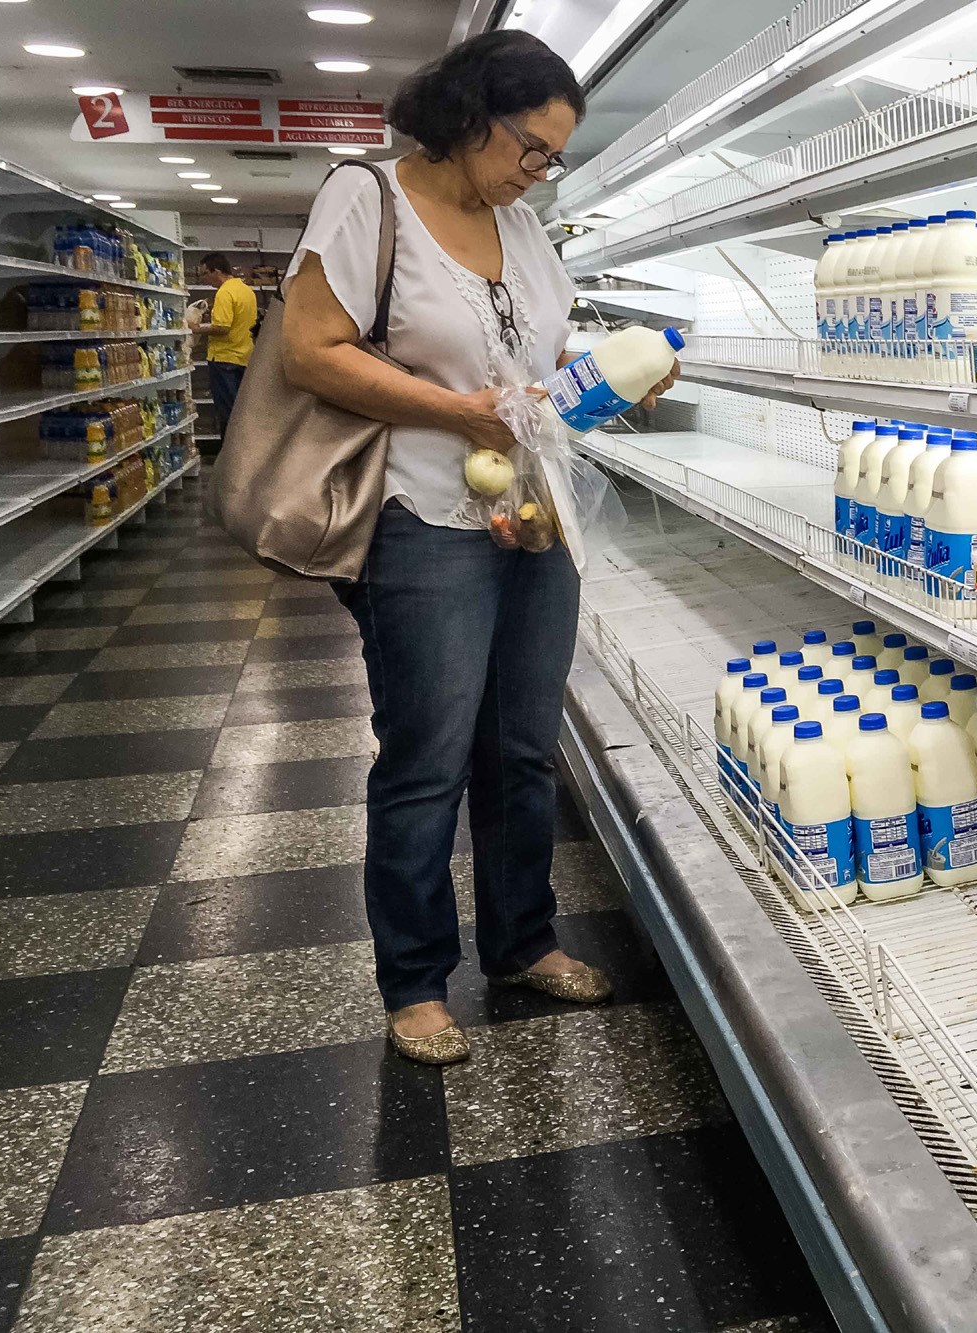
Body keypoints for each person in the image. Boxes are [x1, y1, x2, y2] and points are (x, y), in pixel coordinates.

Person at [275, 30, 679, 1065]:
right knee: (427, 757)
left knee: (520, 748)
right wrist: (463, 416)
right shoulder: (371, 200)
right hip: (423, 521)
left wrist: (610, 376)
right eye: (530, 148)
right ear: (467, 117)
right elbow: (311, 352)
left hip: (532, 513)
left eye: (554, 157)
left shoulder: (525, 227)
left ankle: (523, 941)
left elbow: (533, 363)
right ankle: (414, 980)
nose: (538, 170)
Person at [191, 253, 255, 436]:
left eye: (205, 274)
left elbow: (222, 327)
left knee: (228, 413)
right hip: (244, 357)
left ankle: (229, 456)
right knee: (242, 411)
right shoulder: (245, 290)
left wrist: (196, 328)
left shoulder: (224, 293)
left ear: (216, 271)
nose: (204, 279)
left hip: (224, 359)